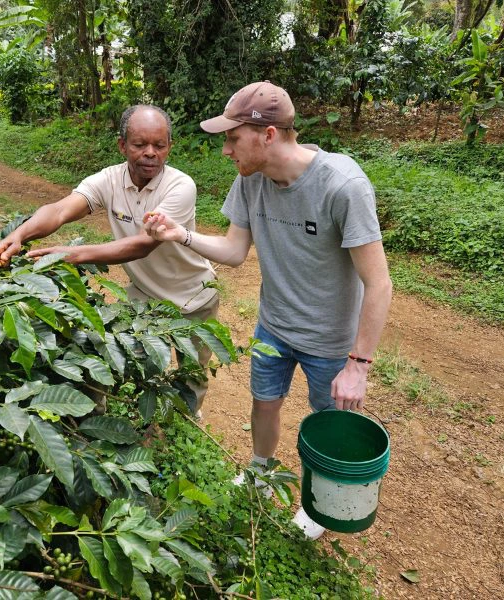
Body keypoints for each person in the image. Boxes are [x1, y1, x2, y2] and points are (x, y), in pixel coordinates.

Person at [143, 82, 392, 539]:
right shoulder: (249, 180)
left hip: (330, 340)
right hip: (274, 326)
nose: (225, 150)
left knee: (326, 422)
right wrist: (180, 235)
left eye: (232, 138)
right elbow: (235, 250)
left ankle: (317, 507)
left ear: (269, 134)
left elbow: (378, 282)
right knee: (265, 401)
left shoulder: (342, 185)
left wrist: (358, 364)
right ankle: (260, 471)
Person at [0, 104, 219, 413]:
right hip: (146, 299)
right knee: (116, 357)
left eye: (159, 145)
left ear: (169, 147)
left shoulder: (181, 186)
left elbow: (142, 245)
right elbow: (59, 210)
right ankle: (105, 418)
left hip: (194, 299)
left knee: (190, 377)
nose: (150, 153)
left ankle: (184, 432)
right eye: (140, 144)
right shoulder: (109, 180)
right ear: (123, 145)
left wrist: (72, 255)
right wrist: (20, 234)